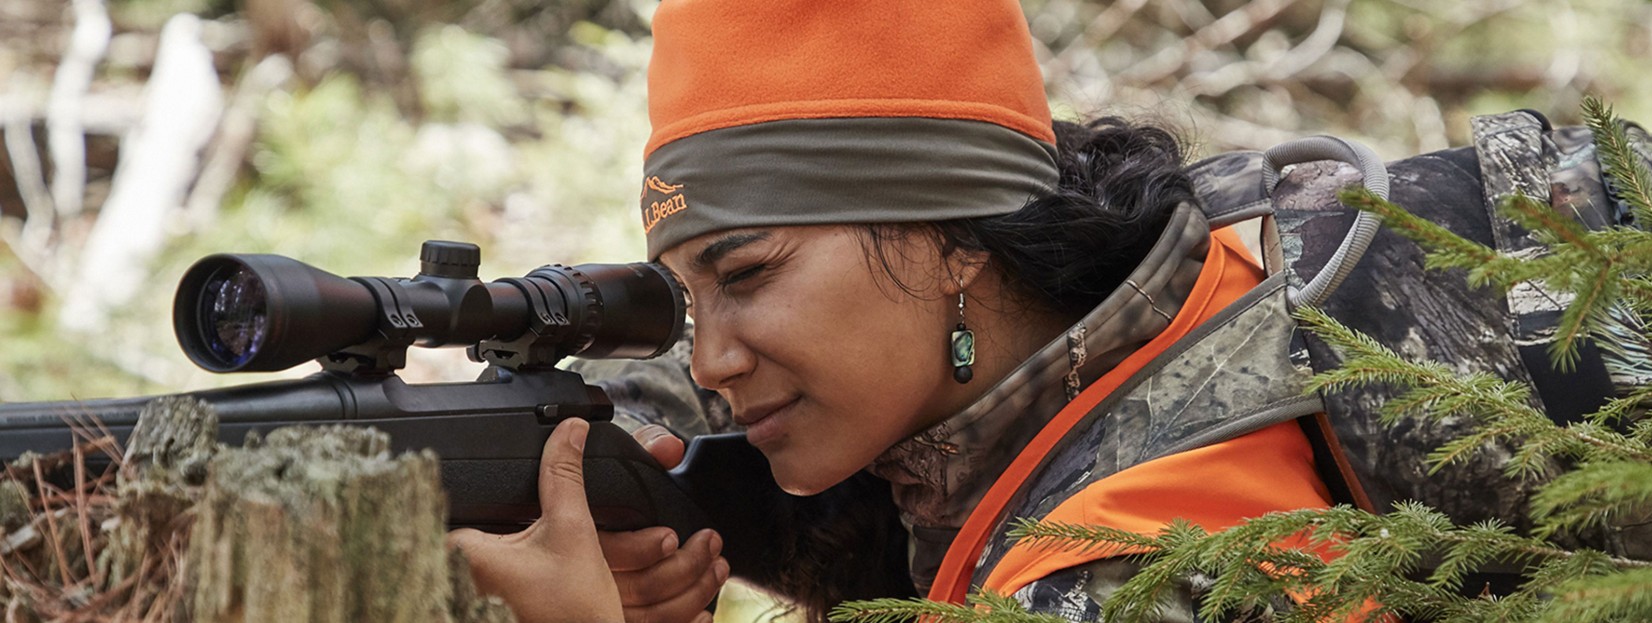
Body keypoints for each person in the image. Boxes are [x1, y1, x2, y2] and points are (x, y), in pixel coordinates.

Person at [449, 1, 1344, 622]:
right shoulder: (1182, 281)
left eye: (749, 274)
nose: (712, 360)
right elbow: (660, 400)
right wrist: (611, 483)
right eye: (683, 301)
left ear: (954, 232)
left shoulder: (1129, 573)